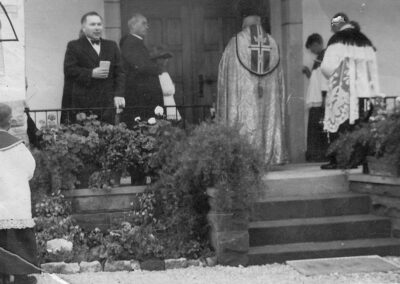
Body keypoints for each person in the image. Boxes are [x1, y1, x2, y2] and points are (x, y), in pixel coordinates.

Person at [217, 0, 288, 165]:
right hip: (267, 97)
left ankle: (243, 159)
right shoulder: (273, 44)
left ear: (243, 19)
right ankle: (270, 155)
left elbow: (224, 79)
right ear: (260, 19)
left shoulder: (235, 43)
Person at [320, 13, 380, 169]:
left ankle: (341, 161)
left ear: (337, 24)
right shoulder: (365, 40)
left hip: (344, 92)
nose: (332, 29)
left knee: (342, 126)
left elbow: (327, 67)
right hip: (364, 92)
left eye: (333, 25)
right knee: (359, 127)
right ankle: (357, 160)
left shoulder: (337, 39)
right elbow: (373, 68)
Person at [62, 11, 125, 124]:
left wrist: (119, 94)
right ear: (84, 28)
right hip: (84, 103)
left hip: (107, 103)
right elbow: (69, 70)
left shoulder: (111, 46)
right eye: (92, 24)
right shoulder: (74, 46)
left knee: (109, 137)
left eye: (99, 24)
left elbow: (120, 72)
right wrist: (91, 73)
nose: (97, 28)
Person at [0, 103, 38, 284]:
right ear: (9, 122)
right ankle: (19, 276)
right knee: (16, 241)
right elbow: (30, 169)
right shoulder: (18, 147)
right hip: (14, 202)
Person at [120, 13, 164, 125]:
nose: (147, 27)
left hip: (142, 93)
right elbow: (139, 65)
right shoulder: (130, 42)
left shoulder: (136, 42)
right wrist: (157, 68)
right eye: (143, 23)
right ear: (133, 25)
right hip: (139, 94)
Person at [304, 33, 329, 162]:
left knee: (318, 129)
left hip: (320, 101)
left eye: (312, 48)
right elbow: (315, 80)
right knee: (314, 129)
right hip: (315, 100)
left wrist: (325, 98)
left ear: (316, 44)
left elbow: (324, 80)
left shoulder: (325, 57)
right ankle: (314, 155)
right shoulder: (319, 58)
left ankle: (319, 155)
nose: (312, 52)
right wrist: (308, 73)